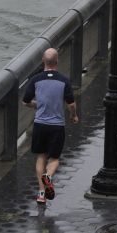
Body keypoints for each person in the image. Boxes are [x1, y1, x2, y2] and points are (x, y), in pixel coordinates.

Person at [22, 48, 78, 205]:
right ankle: (48, 176)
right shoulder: (64, 81)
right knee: (54, 158)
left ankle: (41, 194)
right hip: (57, 126)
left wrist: (37, 105)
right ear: (57, 61)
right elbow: (71, 104)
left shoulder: (35, 79)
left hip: (40, 124)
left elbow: (25, 101)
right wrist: (73, 116)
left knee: (41, 156)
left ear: (43, 61)